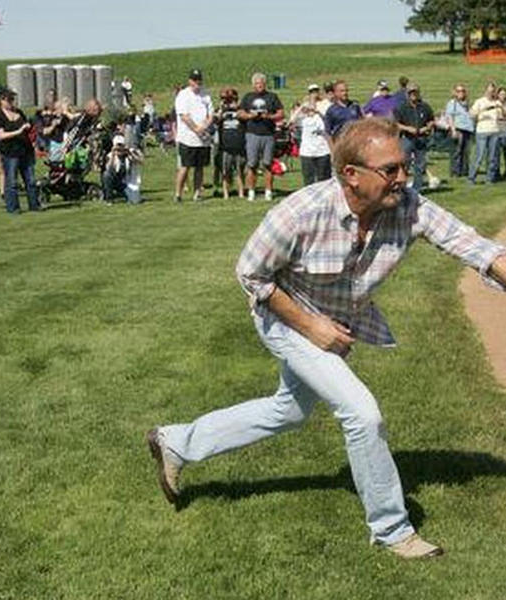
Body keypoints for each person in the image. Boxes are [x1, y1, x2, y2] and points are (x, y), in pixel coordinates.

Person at [145, 117, 506, 559]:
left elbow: (472, 245)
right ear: (351, 175)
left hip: (334, 323)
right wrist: (310, 326)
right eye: (389, 170)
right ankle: (393, 529)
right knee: (362, 413)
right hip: (283, 315)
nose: (402, 178)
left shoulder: (408, 206)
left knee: (289, 411)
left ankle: (176, 442)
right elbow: (250, 273)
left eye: (403, 166)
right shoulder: (300, 212)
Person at [0, 89, 41, 214]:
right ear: (2, 100)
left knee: (31, 180)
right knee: (12, 181)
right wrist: (18, 131)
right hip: (10, 152)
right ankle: (13, 207)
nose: (12, 102)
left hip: (26, 150)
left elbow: (26, 127)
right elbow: (0, 135)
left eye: (13, 99)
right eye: (9, 99)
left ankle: (34, 205)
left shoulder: (19, 112)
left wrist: (29, 127)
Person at [238, 72, 285, 202]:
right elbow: (240, 113)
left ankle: (268, 192)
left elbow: (281, 113)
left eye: (262, 83)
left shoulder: (272, 97)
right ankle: (251, 191)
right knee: (252, 164)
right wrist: (249, 116)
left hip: (268, 134)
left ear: (265, 84)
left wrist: (269, 116)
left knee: (267, 164)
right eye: (257, 83)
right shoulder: (248, 97)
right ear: (253, 85)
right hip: (252, 133)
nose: (260, 86)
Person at [174, 69, 214, 203]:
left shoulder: (206, 94)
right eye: (195, 80)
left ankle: (197, 193)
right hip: (187, 137)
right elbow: (183, 115)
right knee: (185, 167)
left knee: (200, 167)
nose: (197, 82)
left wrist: (205, 126)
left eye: (199, 80)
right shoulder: (183, 95)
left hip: (203, 138)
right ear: (190, 81)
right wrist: (196, 129)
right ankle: (178, 194)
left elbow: (210, 114)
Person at [393, 83, 435, 192]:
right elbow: (396, 124)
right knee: (404, 164)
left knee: (420, 165)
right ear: (407, 94)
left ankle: (417, 189)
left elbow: (431, 120)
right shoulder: (401, 107)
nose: (413, 95)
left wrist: (427, 127)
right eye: (411, 93)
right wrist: (408, 129)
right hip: (407, 138)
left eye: (415, 92)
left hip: (421, 138)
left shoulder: (425, 106)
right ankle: (402, 187)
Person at [291, 83, 332, 186]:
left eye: (316, 91)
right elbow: (292, 121)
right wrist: (302, 107)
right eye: (312, 92)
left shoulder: (325, 105)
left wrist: (316, 111)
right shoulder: (303, 112)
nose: (314, 94)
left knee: (324, 179)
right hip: (307, 151)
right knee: (308, 179)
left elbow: (329, 119)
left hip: (322, 150)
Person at [468, 82, 502, 184]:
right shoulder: (480, 102)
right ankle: (472, 177)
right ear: (485, 91)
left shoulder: (497, 102)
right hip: (482, 131)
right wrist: (482, 111)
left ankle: (489, 179)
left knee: (492, 157)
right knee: (479, 156)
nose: (491, 93)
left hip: (495, 131)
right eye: (489, 91)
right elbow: (471, 114)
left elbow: (501, 116)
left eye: (493, 91)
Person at [216, 87, 246, 199]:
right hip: (225, 145)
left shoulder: (241, 109)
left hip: (238, 143)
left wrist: (237, 107)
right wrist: (221, 108)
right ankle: (226, 193)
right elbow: (216, 119)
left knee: (239, 170)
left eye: (231, 98)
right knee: (225, 171)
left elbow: (245, 116)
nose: (228, 101)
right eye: (225, 98)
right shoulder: (221, 109)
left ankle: (241, 192)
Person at [443, 84, 475, 177]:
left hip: (468, 129)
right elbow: (450, 116)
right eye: (459, 91)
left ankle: (464, 171)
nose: (461, 93)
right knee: (457, 151)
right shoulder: (452, 103)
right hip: (458, 129)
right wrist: (453, 130)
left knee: (466, 152)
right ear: (455, 92)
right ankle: (455, 172)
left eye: (463, 91)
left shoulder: (467, 103)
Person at [101, 134, 144, 203]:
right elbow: (108, 168)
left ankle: (125, 194)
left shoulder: (129, 155)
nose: (119, 150)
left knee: (135, 200)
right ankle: (109, 198)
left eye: (121, 147)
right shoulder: (110, 155)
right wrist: (113, 153)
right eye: (117, 148)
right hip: (114, 180)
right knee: (106, 175)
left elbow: (141, 162)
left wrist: (129, 152)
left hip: (125, 183)